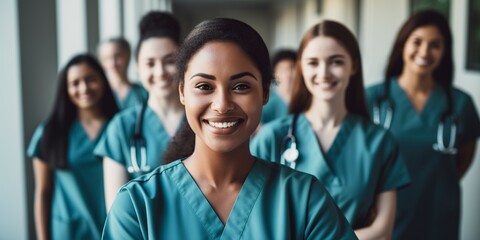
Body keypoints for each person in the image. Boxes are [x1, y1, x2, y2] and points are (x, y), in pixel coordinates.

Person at [102, 18, 358, 239]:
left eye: (241, 86)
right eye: (204, 86)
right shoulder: (137, 205)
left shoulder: (304, 200)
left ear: (266, 92)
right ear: (182, 92)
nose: (222, 105)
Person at [251, 20, 411, 239]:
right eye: (313, 62)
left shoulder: (379, 142)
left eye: (336, 62)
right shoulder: (270, 138)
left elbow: (382, 233)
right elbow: (254, 224)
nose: (324, 72)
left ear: (353, 66)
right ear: (301, 68)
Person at [365, 10, 480, 239]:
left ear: (444, 51)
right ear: (403, 45)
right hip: (385, 216)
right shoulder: (372, 99)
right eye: (417, 42)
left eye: (435, 45)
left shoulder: (460, 104)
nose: (425, 51)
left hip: (438, 217)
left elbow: (463, 159)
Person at [94, 11, 185, 211]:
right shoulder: (121, 127)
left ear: (183, 63)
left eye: (170, 61)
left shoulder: (203, 120)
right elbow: (117, 211)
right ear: (137, 68)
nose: (160, 72)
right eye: (150, 63)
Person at [28, 54, 118, 239]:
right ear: (66, 89)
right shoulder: (50, 132)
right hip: (69, 232)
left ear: (103, 81)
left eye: (91, 79)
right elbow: (43, 192)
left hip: (112, 229)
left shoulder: (121, 126)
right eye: (75, 83)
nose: (84, 88)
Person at [98, 37, 148, 109]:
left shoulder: (143, 92)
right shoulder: (99, 94)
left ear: (128, 56)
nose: (113, 63)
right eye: (106, 58)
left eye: (117, 56)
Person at [260, 49, 297, 124]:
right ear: (274, 74)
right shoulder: (267, 104)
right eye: (282, 70)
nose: (288, 74)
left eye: (292, 68)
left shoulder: (305, 102)